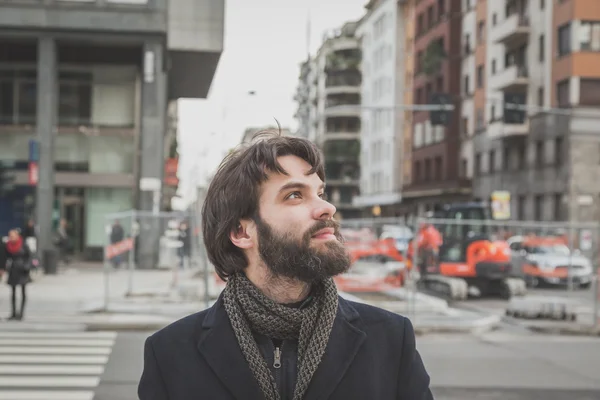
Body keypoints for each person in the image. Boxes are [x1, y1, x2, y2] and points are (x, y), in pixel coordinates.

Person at [138, 130, 433, 400]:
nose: (327, 207)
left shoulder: (391, 340)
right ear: (242, 233)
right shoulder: (170, 354)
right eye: (295, 195)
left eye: (319, 193)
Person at [0, 229, 33, 320]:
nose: (11, 238)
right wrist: (2, 268)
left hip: (22, 270)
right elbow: (4, 257)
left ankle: (21, 313)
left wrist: (27, 266)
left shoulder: (23, 244)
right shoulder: (7, 245)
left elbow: (29, 256)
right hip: (13, 269)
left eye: (13, 236)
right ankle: (13, 313)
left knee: (23, 291)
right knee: (13, 292)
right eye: (10, 236)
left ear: (17, 236)